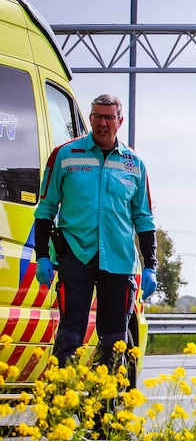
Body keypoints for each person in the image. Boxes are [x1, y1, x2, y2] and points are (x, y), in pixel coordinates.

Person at [33, 93, 157, 373]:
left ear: (119, 121)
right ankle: (61, 393)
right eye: (97, 117)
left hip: (118, 258)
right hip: (76, 254)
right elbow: (45, 209)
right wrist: (42, 256)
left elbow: (144, 218)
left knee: (114, 337)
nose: (103, 123)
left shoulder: (134, 163)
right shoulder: (65, 155)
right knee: (70, 333)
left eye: (109, 117)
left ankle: (106, 396)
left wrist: (151, 265)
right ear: (90, 119)